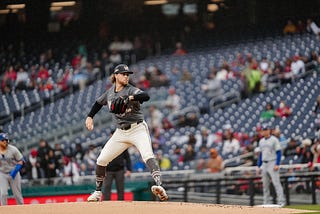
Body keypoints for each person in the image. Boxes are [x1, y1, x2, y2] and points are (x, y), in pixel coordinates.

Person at [85, 64, 168, 202]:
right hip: (120, 132)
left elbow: (145, 96)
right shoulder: (109, 93)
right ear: (116, 75)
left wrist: (129, 98)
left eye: (127, 74)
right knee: (101, 160)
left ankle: (160, 186)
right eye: (123, 74)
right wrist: (89, 116)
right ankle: (98, 192)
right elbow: (98, 103)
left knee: (147, 155)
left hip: (137, 129)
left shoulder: (131, 90)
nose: (126, 76)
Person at [257, 124, 285, 207]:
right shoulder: (261, 141)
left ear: (269, 130)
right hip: (264, 163)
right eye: (263, 130)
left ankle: (281, 201)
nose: (265, 131)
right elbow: (261, 154)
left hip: (272, 162)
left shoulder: (274, 139)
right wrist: (259, 165)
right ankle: (266, 202)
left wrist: (277, 164)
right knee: (265, 185)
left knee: (276, 183)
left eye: (266, 130)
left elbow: (279, 152)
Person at [0, 133, 25, 205]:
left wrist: (16, 170)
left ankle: (22, 210)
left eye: (6, 140)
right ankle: (4, 211)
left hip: (14, 172)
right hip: (2, 173)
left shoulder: (13, 149)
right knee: (3, 194)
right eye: (3, 140)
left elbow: (21, 160)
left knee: (17, 194)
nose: (5, 142)